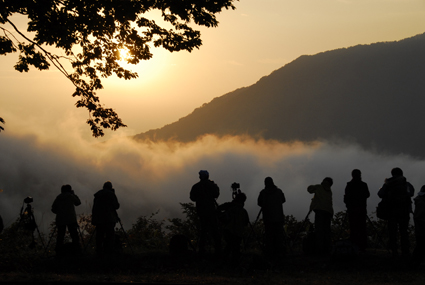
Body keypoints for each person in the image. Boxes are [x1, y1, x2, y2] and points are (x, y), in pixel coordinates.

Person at [378, 167, 414, 258]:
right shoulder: (406, 184)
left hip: (391, 212)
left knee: (392, 232)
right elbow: (411, 193)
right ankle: (405, 251)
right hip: (404, 211)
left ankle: (394, 251)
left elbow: (380, 194)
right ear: (402, 173)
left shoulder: (388, 184)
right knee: (404, 232)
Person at [190, 170, 221, 257]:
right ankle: (218, 249)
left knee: (203, 230)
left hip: (201, 211)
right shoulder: (212, 186)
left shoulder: (196, 186)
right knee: (215, 230)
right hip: (211, 210)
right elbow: (216, 194)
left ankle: (201, 249)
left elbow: (192, 197)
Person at [257, 177, 286, 260]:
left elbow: (259, 203)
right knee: (279, 236)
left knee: (269, 236)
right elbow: (283, 200)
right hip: (278, 218)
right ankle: (279, 253)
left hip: (268, 218)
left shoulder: (263, 193)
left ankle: (270, 253)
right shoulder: (279, 191)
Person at [218, 192, 250, 264]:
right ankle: (233, 264)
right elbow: (246, 222)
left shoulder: (230, 206)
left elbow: (219, 208)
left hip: (228, 230)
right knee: (235, 248)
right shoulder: (243, 211)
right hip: (238, 232)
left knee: (229, 246)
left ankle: (223, 262)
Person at [92, 181, 120, 256]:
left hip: (99, 219)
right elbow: (116, 206)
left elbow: (94, 208)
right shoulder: (111, 194)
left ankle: (99, 251)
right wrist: (114, 194)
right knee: (110, 235)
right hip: (109, 218)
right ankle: (109, 251)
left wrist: (94, 219)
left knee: (99, 236)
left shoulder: (98, 195)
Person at [344, 169, 370, 251]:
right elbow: (367, 195)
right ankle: (362, 246)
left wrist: (348, 205)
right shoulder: (363, 185)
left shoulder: (349, 185)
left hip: (352, 209)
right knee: (362, 227)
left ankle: (354, 245)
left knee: (353, 227)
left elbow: (346, 197)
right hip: (361, 209)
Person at [51, 184, 81, 254]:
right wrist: (74, 194)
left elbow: (53, 209)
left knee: (60, 236)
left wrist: (60, 213)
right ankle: (77, 251)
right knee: (74, 236)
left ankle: (58, 252)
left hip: (60, 220)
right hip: (71, 219)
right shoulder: (71, 196)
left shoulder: (58, 197)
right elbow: (78, 203)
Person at [307, 177, 334, 255]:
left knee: (319, 230)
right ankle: (327, 248)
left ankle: (319, 249)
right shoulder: (329, 191)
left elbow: (309, 189)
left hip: (319, 210)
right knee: (326, 230)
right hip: (328, 211)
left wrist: (315, 186)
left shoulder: (319, 187)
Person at [411, 186, 425, 267]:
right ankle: (415, 263)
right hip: (422, 228)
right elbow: (420, 217)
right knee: (421, 245)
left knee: (420, 245)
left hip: (420, 228)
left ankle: (415, 262)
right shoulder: (422, 203)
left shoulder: (419, 201)